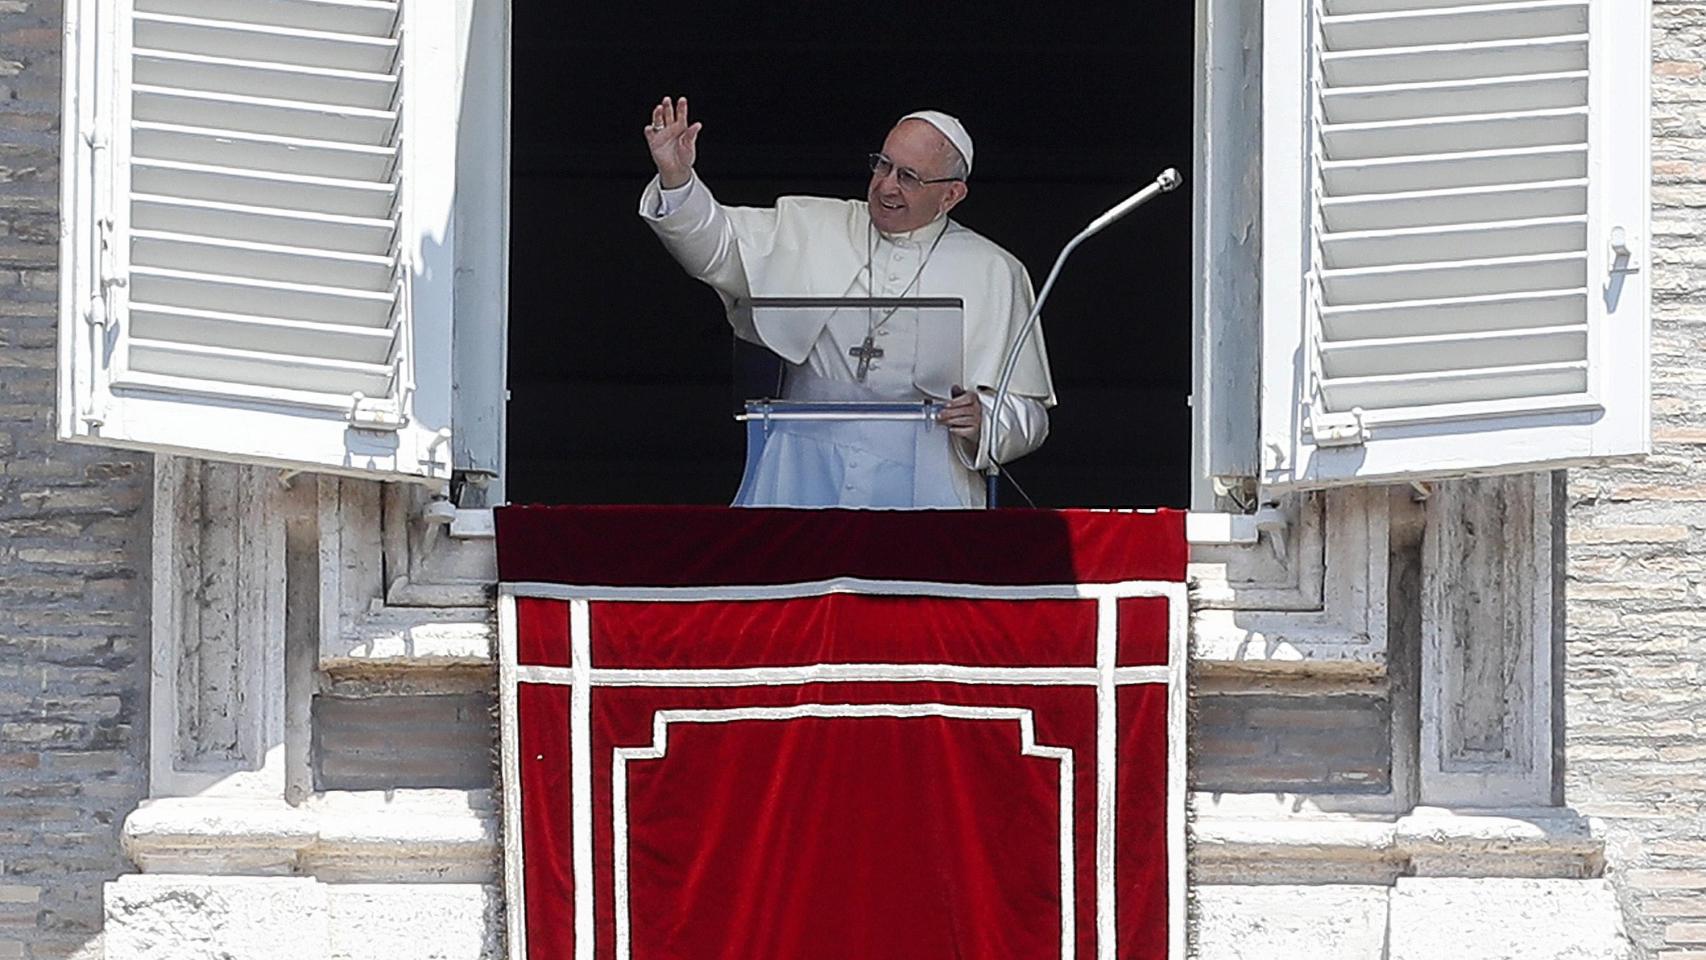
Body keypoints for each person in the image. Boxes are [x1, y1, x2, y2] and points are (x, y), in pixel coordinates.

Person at [639, 96, 1054, 508]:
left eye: (909, 177)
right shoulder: (812, 224)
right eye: (884, 164)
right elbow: (717, 250)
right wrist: (677, 179)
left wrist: (986, 420)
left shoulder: (995, 270)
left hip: (926, 480)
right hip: (801, 464)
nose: (887, 185)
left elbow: (1028, 414)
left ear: (951, 195)